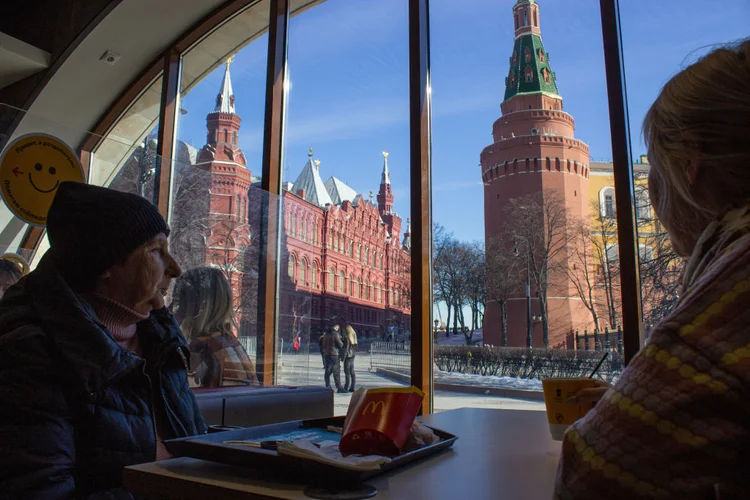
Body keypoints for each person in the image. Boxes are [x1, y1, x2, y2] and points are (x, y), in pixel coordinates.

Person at [556, 40, 750, 499]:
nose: (651, 195)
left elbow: (592, 475)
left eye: (654, 171)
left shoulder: (734, 285)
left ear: (690, 165)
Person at [0, 182, 206, 498]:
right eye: (156, 251)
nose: (176, 269)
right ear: (106, 266)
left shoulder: (159, 343)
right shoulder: (29, 354)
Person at [171, 266, 258, 388]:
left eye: (178, 304)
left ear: (194, 309)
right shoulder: (231, 343)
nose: (173, 313)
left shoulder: (199, 351)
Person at [320, 324, 345, 393]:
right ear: (336, 328)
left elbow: (323, 345)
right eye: (338, 328)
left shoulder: (325, 335)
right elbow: (340, 344)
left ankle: (327, 386)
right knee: (336, 371)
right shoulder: (335, 334)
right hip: (334, 354)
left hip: (326, 354)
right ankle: (339, 387)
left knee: (327, 371)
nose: (338, 329)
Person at [340, 318, 358, 393]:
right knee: (352, 372)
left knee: (347, 372)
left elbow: (346, 349)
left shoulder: (347, 339)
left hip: (348, 356)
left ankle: (346, 387)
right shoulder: (354, 337)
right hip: (352, 356)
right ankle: (352, 387)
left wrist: (342, 359)